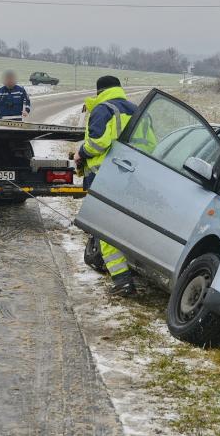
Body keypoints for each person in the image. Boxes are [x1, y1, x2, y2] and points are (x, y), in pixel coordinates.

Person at [74, 76, 138, 296]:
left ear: (99, 91)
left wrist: (80, 152)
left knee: (105, 229)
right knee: (124, 226)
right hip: (133, 178)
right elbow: (150, 145)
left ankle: (123, 282)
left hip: (105, 178)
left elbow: (98, 143)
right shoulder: (136, 110)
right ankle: (128, 269)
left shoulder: (103, 109)